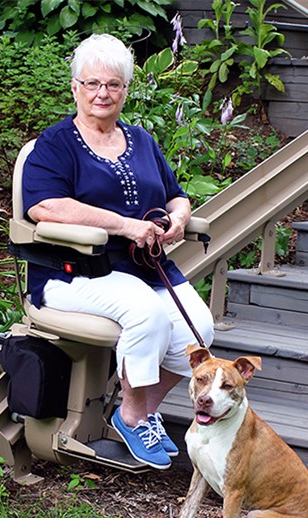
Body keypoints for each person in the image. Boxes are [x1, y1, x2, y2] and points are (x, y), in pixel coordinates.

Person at [21, 34, 215, 470]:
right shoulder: (55, 145)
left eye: (112, 85)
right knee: (146, 313)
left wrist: (178, 220)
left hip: (143, 267)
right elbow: (45, 205)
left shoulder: (141, 140)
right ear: (75, 88)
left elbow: (175, 195)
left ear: (125, 90)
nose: (102, 94)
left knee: (197, 332)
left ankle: (143, 411)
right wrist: (125, 225)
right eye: (91, 84)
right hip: (72, 271)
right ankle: (130, 415)